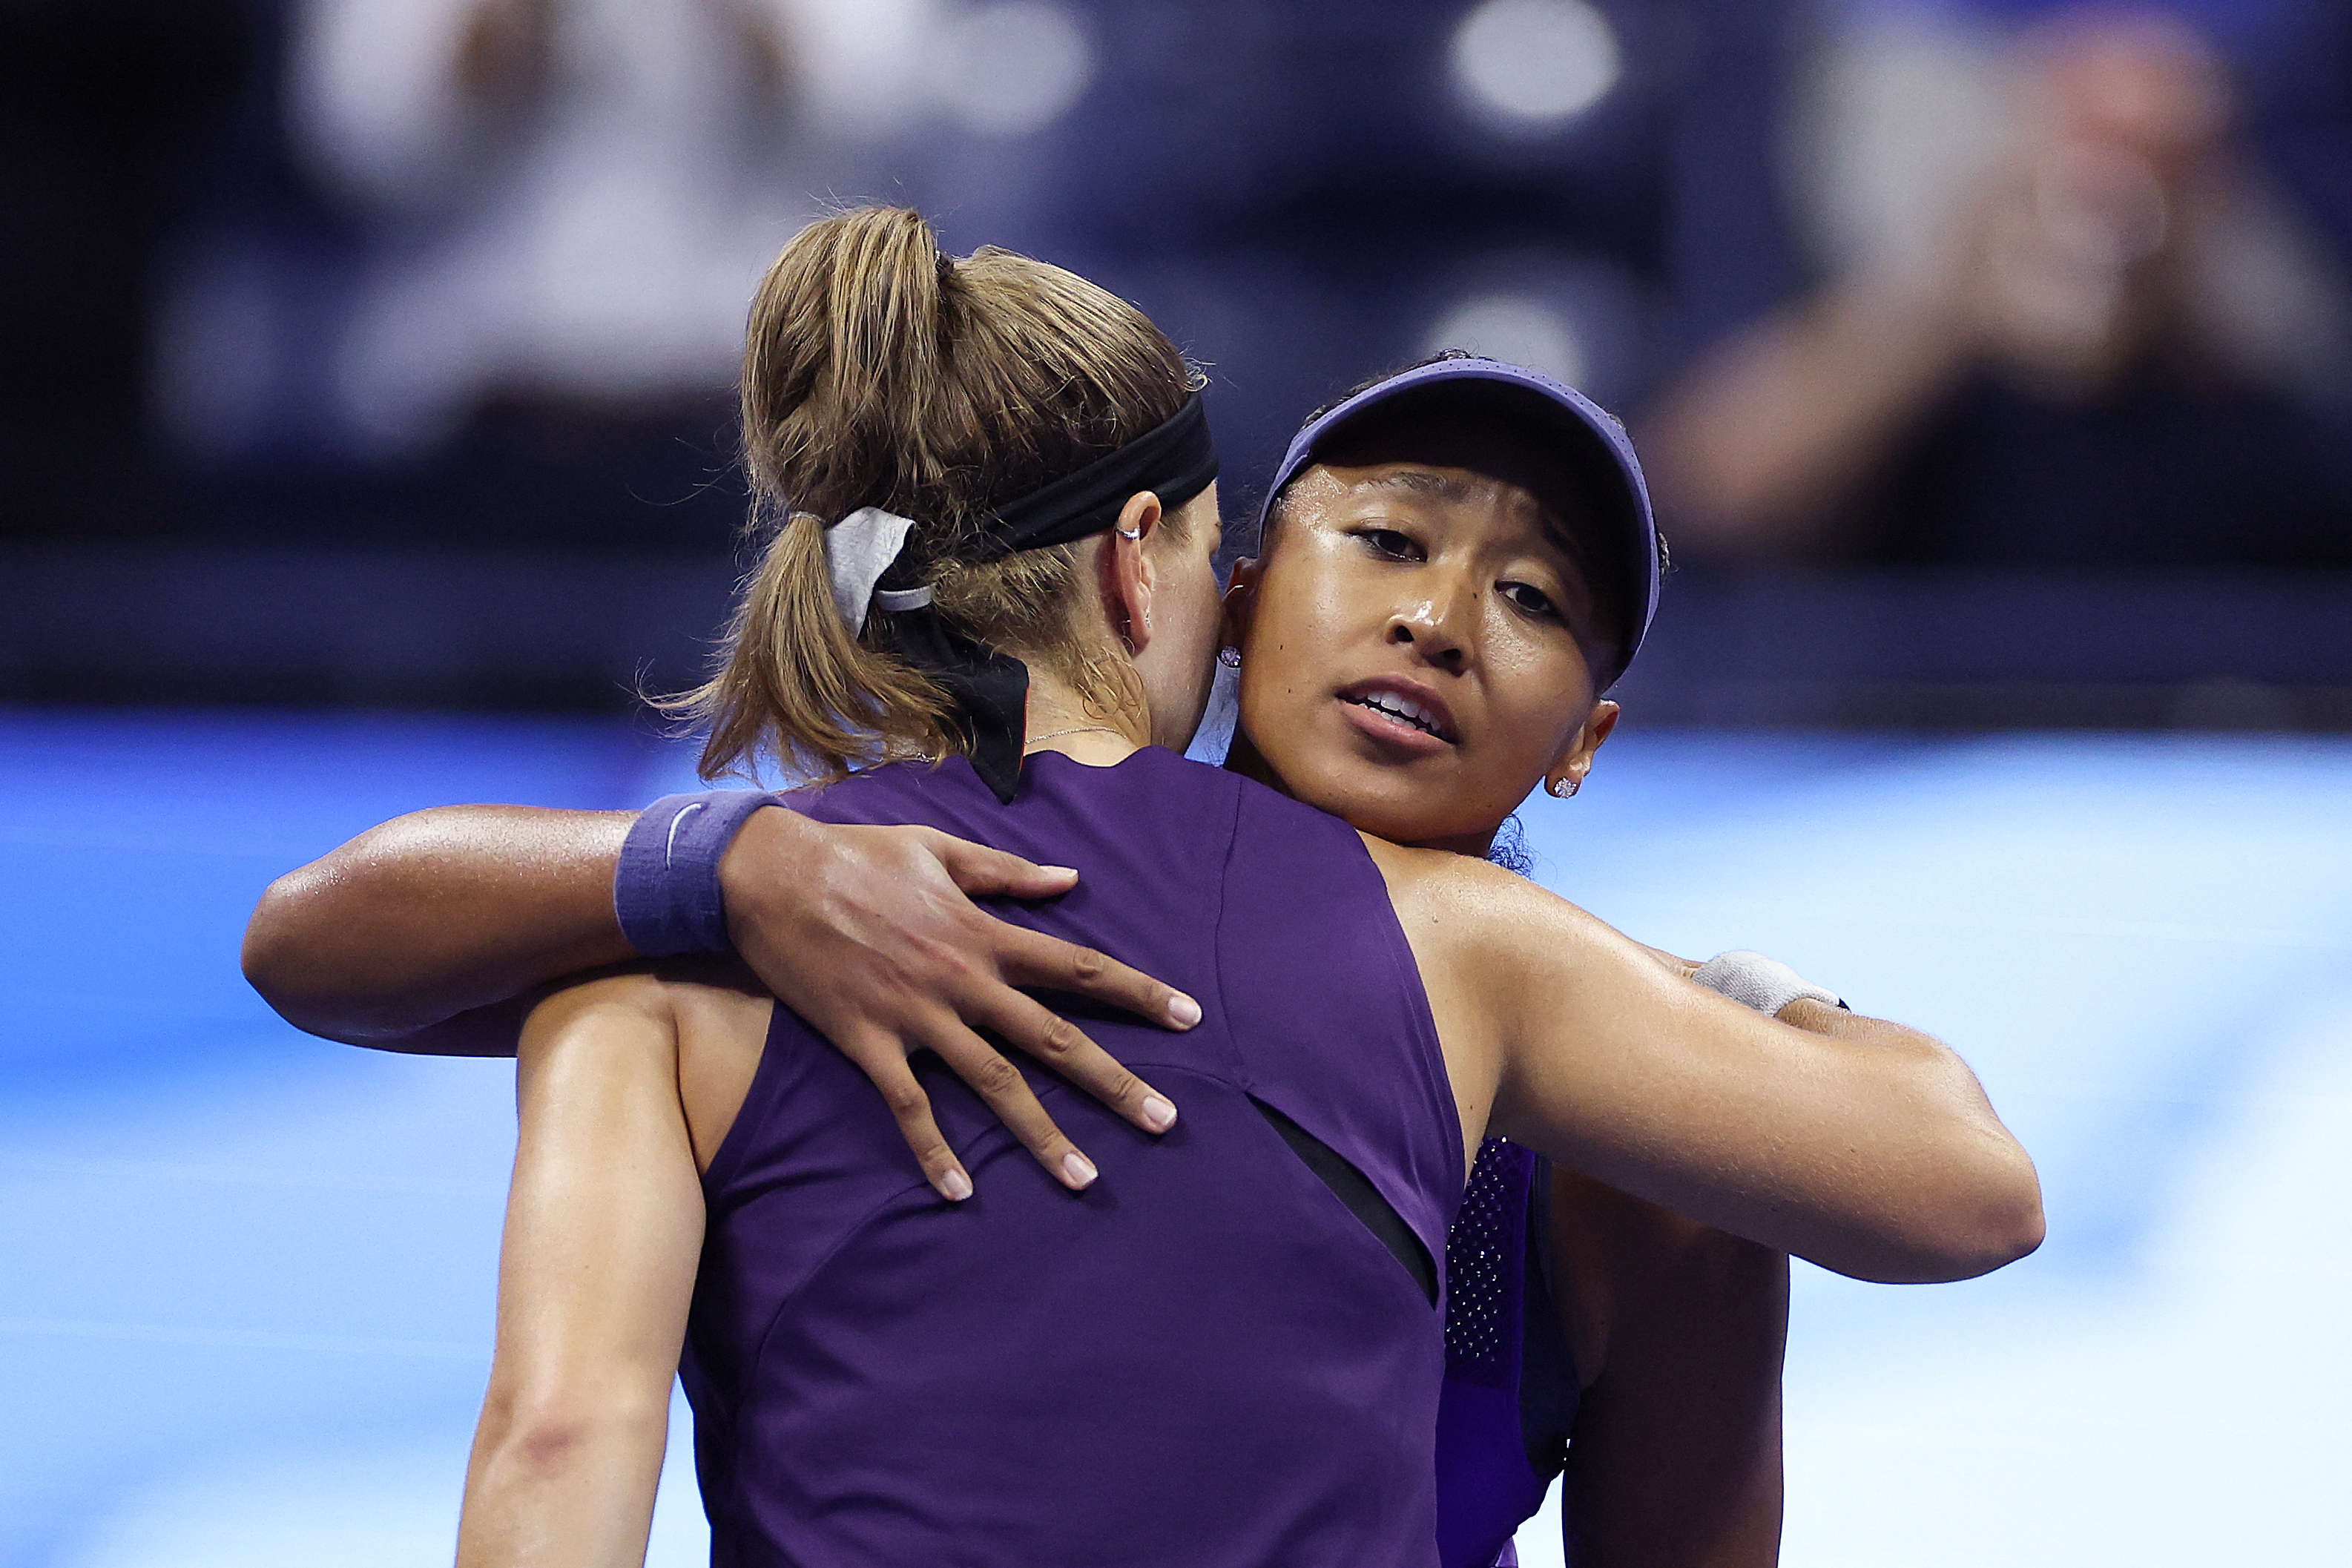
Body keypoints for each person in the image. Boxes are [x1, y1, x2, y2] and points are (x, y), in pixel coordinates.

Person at [246, 209, 2039, 1564]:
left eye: (1532, 599)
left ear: (1588, 736)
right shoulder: (1465, 961)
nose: (1434, 618)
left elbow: (556, 1444)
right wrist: (736, 860)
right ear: (1202, 587)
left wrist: (1703, 997)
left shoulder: (658, 971)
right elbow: (320, 933)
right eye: (1387, 540)